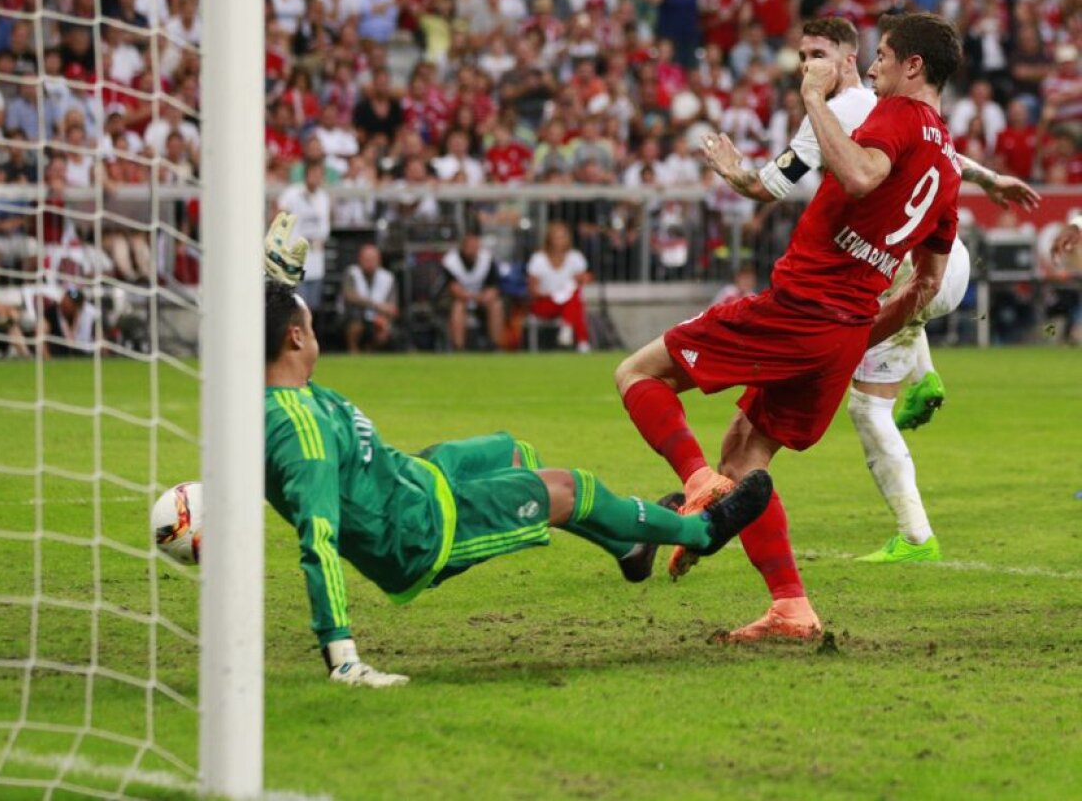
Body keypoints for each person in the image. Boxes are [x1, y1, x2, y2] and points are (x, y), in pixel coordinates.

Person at [260, 220, 774, 685]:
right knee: (568, 489)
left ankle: (630, 549)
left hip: (415, 476)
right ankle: (702, 531)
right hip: (416, 528)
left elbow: (266, 332)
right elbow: (319, 539)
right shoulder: (301, 433)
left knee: (513, 452)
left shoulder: (278, 386)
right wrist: (342, 656)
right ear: (297, 336)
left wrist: (274, 279)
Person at [615, 13, 968, 642]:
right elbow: (926, 287)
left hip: (799, 305)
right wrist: (858, 337)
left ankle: (696, 489)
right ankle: (791, 607)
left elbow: (860, 176)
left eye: (883, 54)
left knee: (637, 373)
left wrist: (812, 96)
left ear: (913, 66)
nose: (875, 66)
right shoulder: (949, 162)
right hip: (844, 329)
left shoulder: (892, 114)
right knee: (745, 452)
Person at [701, 17, 1039, 564]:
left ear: (849, 58)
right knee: (879, 285)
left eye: (819, 53)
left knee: (865, 402)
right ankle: (922, 371)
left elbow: (771, 186)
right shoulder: (909, 113)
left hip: (908, 272)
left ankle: (915, 537)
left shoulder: (838, 113)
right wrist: (990, 179)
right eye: (803, 53)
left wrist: (732, 171)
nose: (808, 63)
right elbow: (942, 156)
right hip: (939, 265)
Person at [526, 222, 592, 352]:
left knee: (574, 297)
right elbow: (532, 291)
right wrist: (553, 294)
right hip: (545, 302)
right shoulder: (538, 259)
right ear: (549, 239)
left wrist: (579, 281)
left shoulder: (575, 257)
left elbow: (583, 280)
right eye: (557, 237)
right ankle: (581, 341)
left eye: (563, 237)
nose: (560, 241)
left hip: (567, 304)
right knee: (574, 303)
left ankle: (568, 329)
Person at [276, 163, 331, 308]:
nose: (317, 178)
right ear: (306, 175)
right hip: (296, 256)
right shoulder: (292, 194)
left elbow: (325, 224)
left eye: (320, 174)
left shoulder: (323, 197)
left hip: (316, 255)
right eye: (314, 174)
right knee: (298, 304)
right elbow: (279, 214)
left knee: (313, 305)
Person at [442, 232, 505, 352]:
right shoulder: (450, 261)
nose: (472, 247)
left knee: (496, 305)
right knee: (458, 306)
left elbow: (493, 288)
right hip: (460, 298)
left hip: (481, 299)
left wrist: (484, 296)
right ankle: (459, 348)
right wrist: (471, 297)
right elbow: (454, 289)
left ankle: (495, 346)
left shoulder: (487, 259)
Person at [341, 243, 398, 353]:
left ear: (379, 261)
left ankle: (370, 351)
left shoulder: (387, 278)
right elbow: (350, 297)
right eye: (367, 259)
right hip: (354, 315)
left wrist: (384, 317)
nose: (370, 263)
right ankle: (353, 352)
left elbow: (392, 307)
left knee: (384, 327)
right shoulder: (352, 273)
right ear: (360, 260)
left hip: (377, 318)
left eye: (373, 259)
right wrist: (377, 306)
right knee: (355, 323)